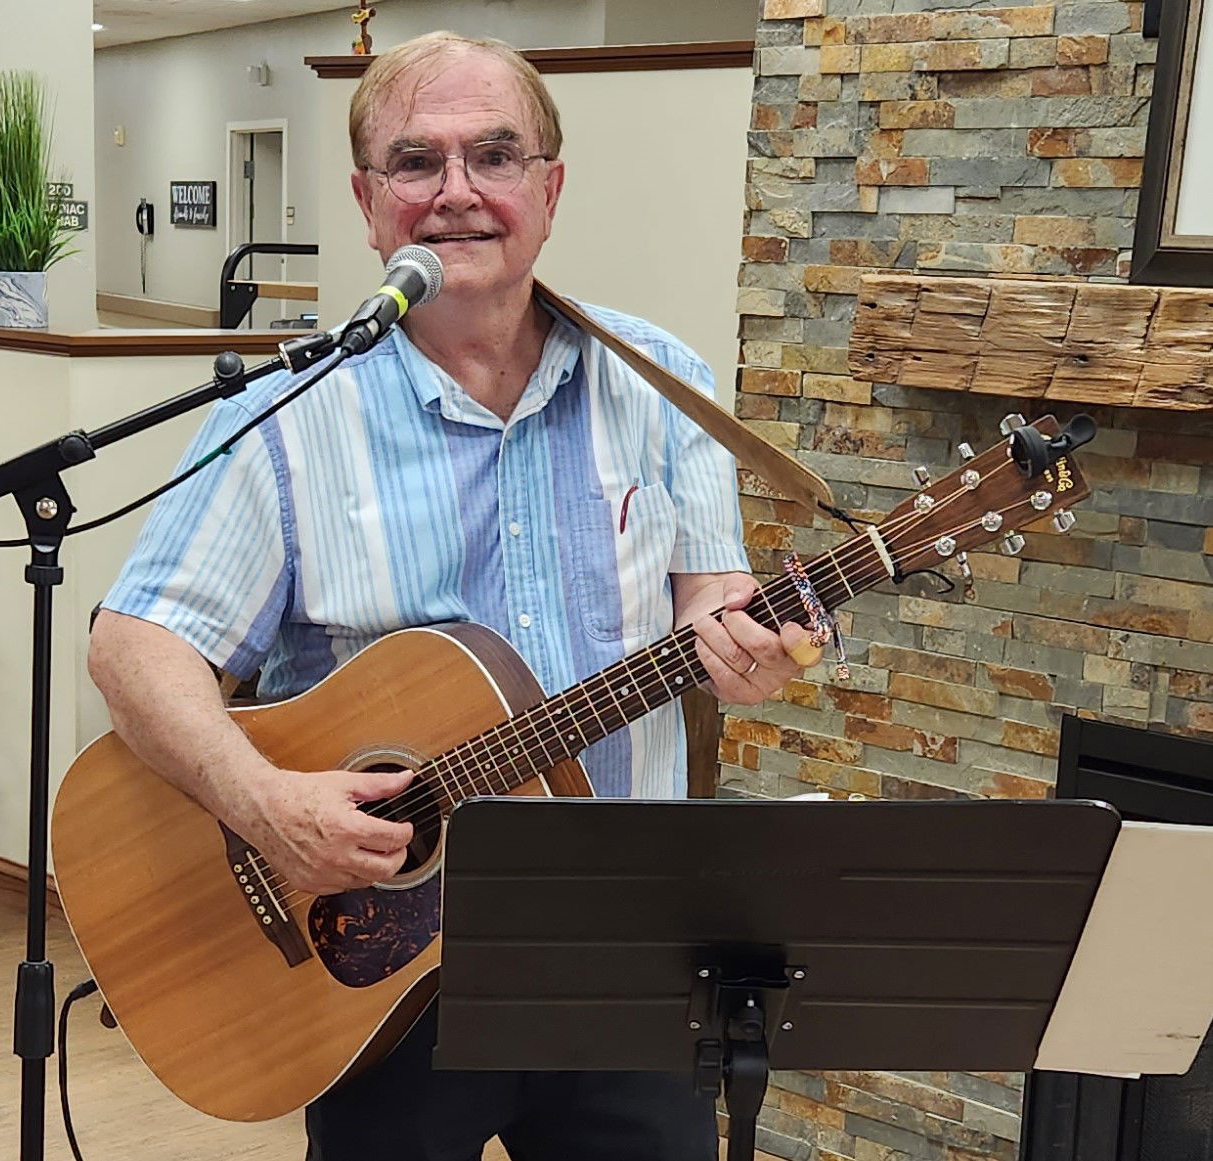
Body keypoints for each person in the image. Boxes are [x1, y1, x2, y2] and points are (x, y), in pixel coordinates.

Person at [88, 30, 821, 1161]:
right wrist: (264, 803)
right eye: (416, 162)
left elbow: (709, 598)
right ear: (367, 203)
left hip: (621, 951)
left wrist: (739, 647)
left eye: (494, 155)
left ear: (550, 189)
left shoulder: (662, 384)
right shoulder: (288, 418)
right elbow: (133, 646)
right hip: (382, 970)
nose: (457, 192)